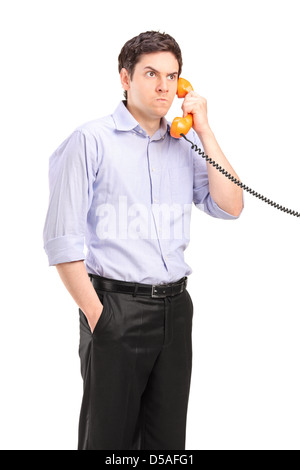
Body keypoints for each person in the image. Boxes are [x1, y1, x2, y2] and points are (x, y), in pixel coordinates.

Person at [43, 30, 243, 450]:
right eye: (151, 73)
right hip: (116, 309)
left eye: (172, 76)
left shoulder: (184, 141)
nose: (163, 87)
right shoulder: (90, 140)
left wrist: (204, 130)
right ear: (124, 77)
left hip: (176, 310)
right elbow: (62, 241)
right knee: (108, 442)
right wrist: (100, 318)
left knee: (166, 444)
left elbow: (231, 205)